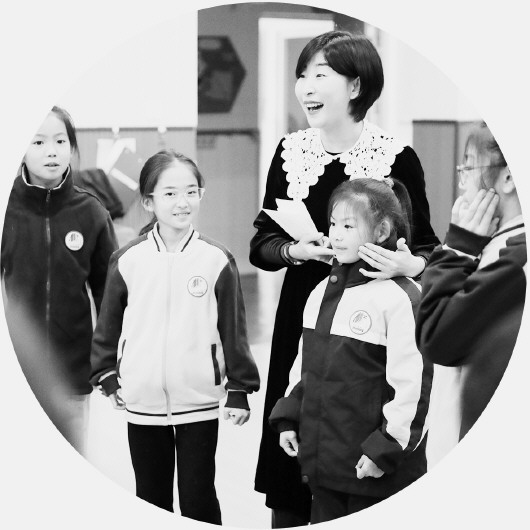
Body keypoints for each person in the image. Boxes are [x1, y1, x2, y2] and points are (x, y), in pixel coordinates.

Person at [250, 30, 439, 526]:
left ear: (355, 86)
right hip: (305, 313)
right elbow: (261, 245)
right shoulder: (290, 152)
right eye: (302, 75)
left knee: (355, 453)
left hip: (370, 324)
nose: (306, 87)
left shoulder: (396, 156)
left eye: (320, 75)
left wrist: (409, 266)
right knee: (293, 435)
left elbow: (427, 247)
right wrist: (294, 250)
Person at [90, 149, 260, 524]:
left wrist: (239, 387)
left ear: (201, 194)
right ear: (148, 201)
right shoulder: (128, 259)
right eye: (169, 193)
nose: (182, 202)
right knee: (151, 500)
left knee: (199, 500)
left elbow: (234, 329)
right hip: (142, 401)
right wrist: (105, 374)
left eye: (190, 192)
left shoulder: (216, 259)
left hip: (198, 401)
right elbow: (107, 325)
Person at [269, 177, 433, 524]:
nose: (336, 235)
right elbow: (304, 368)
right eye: (333, 224)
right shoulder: (320, 293)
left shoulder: (402, 298)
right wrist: (289, 418)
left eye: (348, 225)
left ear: (382, 230)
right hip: (326, 467)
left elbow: (414, 390)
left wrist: (384, 449)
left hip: (378, 471)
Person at [1, 106, 117, 456]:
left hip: (72, 373)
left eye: (60, 141)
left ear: (72, 147)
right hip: (18, 372)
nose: (51, 151)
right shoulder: (7, 211)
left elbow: (110, 294)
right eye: (38, 142)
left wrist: (108, 361)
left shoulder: (91, 211)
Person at [416, 122, 526, 441]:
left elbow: (436, 337)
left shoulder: (516, 257)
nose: (462, 182)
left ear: (508, 177)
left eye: (468, 167)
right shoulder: (495, 242)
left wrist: (456, 248)